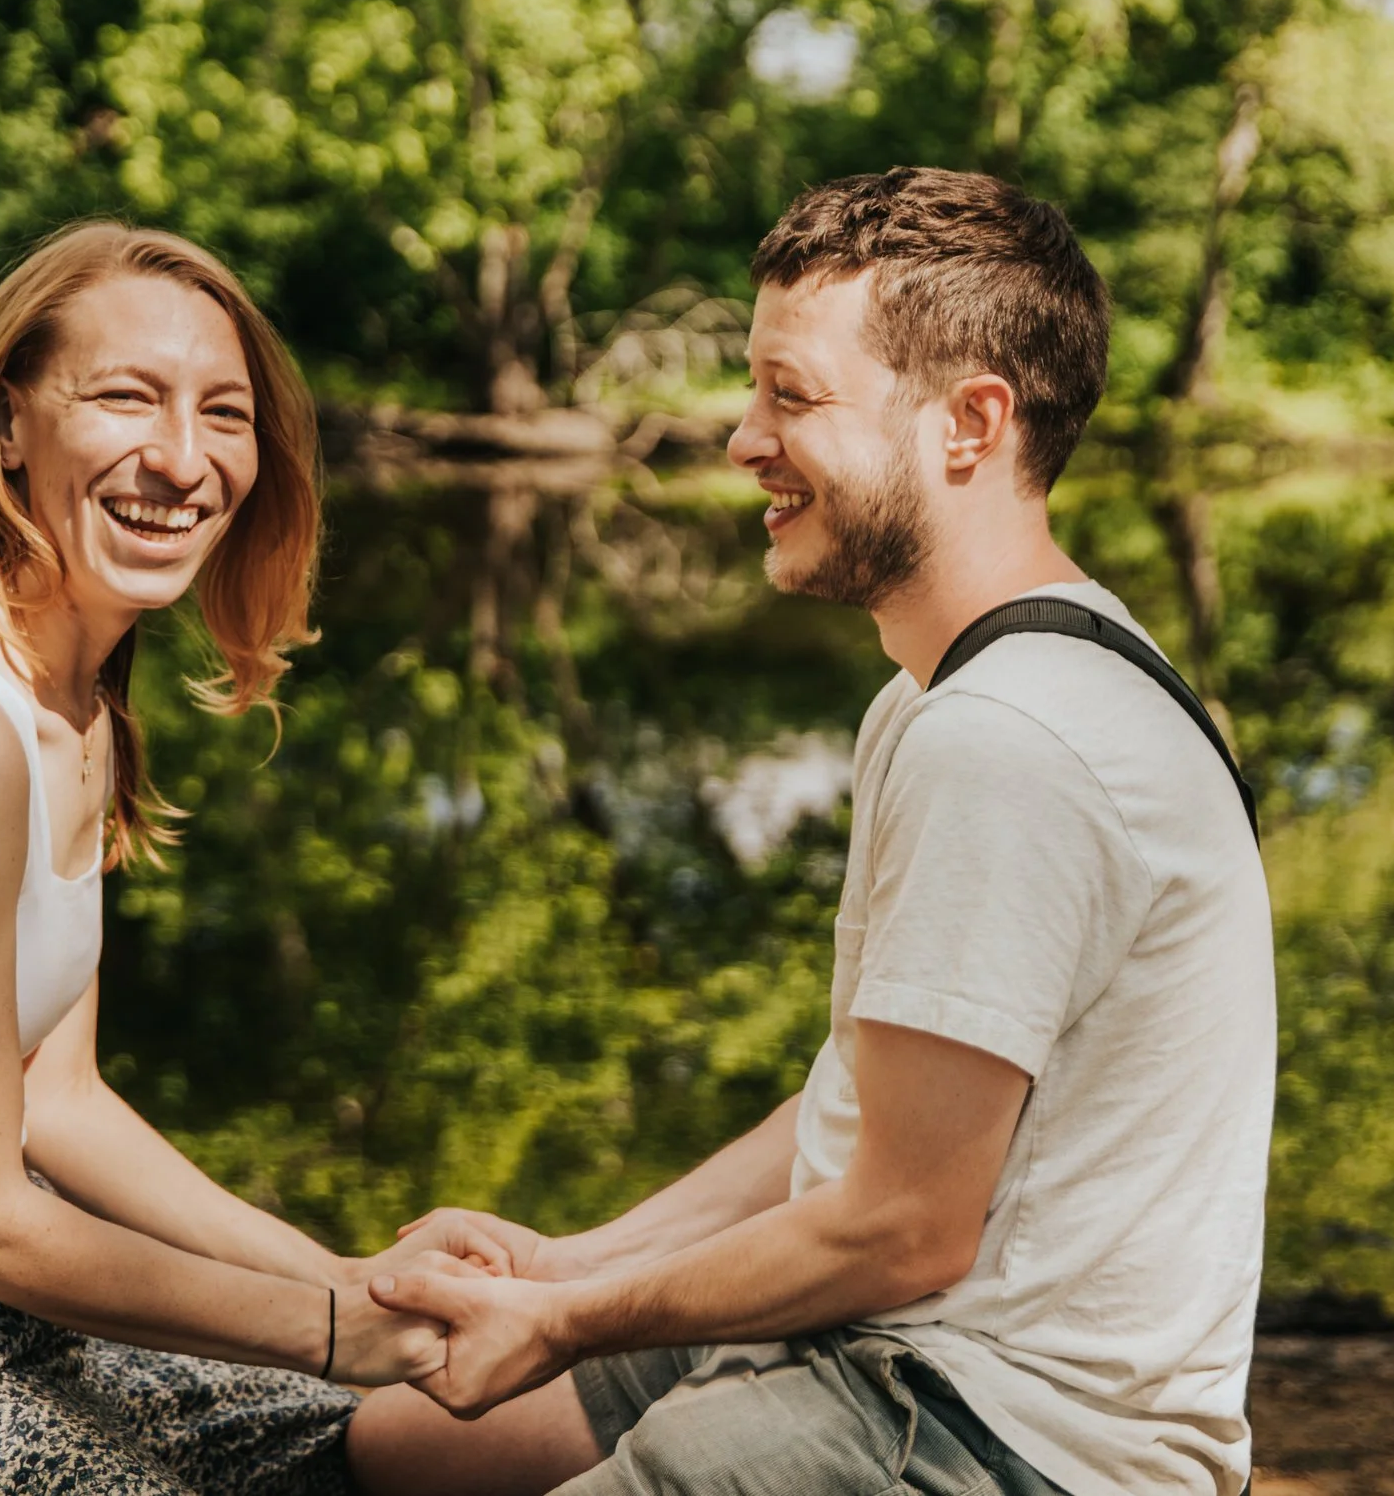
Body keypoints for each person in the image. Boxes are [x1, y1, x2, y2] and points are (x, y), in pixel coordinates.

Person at [347, 168, 1277, 1496]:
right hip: (885, 1339)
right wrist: (570, 1262)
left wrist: (564, 1322)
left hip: (998, 1429)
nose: (742, 439)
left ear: (970, 423)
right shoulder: (947, 690)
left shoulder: (1007, 736)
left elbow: (901, 1228)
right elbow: (863, 1109)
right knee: (401, 1448)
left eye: (792, 396)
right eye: (753, 390)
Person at [0, 222, 497, 1495]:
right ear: (9, 420)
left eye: (223, 412)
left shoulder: (72, 708)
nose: (181, 457)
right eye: (126, 397)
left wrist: (342, 1278)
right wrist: (333, 1334)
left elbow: (58, 1101)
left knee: (493, 1437)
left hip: (18, 1333)